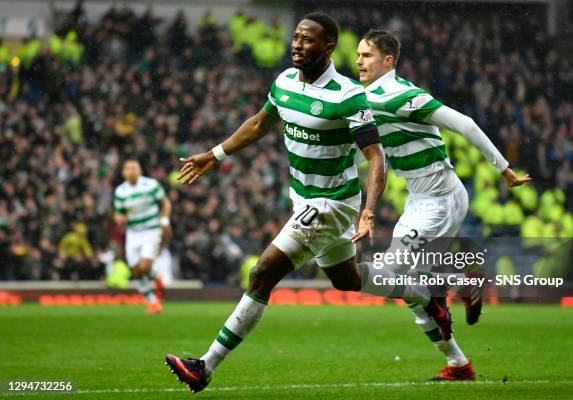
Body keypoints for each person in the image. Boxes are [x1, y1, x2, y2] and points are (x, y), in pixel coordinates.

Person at [164, 13, 449, 393]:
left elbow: (376, 158)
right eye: (296, 37)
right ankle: (423, 295)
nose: (297, 44)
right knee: (346, 279)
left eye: (308, 40)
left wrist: (368, 210)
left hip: (332, 203)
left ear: (328, 47)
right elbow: (259, 124)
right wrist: (215, 154)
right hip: (304, 199)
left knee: (262, 273)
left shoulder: (347, 96)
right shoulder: (283, 82)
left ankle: (205, 366)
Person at [356, 29, 532, 380]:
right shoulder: (366, 98)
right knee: (410, 290)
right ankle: (458, 364)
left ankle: (455, 286)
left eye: (367, 55)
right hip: (425, 198)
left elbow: (464, 124)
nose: (359, 61)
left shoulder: (403, 95)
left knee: (388, 275)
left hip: (438, 200)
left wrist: (504, 169)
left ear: (388, 61)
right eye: (359, 55)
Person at [113, 159, 171, 314]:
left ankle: (153, 280)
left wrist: (164, 221)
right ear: (123, 173)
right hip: (133, 233)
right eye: (128, 168)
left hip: (151, 230)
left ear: (140, 171)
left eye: (134, 168)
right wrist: (119, 218)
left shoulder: (151, 185)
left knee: (144, 266)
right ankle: (153, 301)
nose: (131, 171)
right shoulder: (120, 191)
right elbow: (119, 213)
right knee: (136, 271)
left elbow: (165, 203)